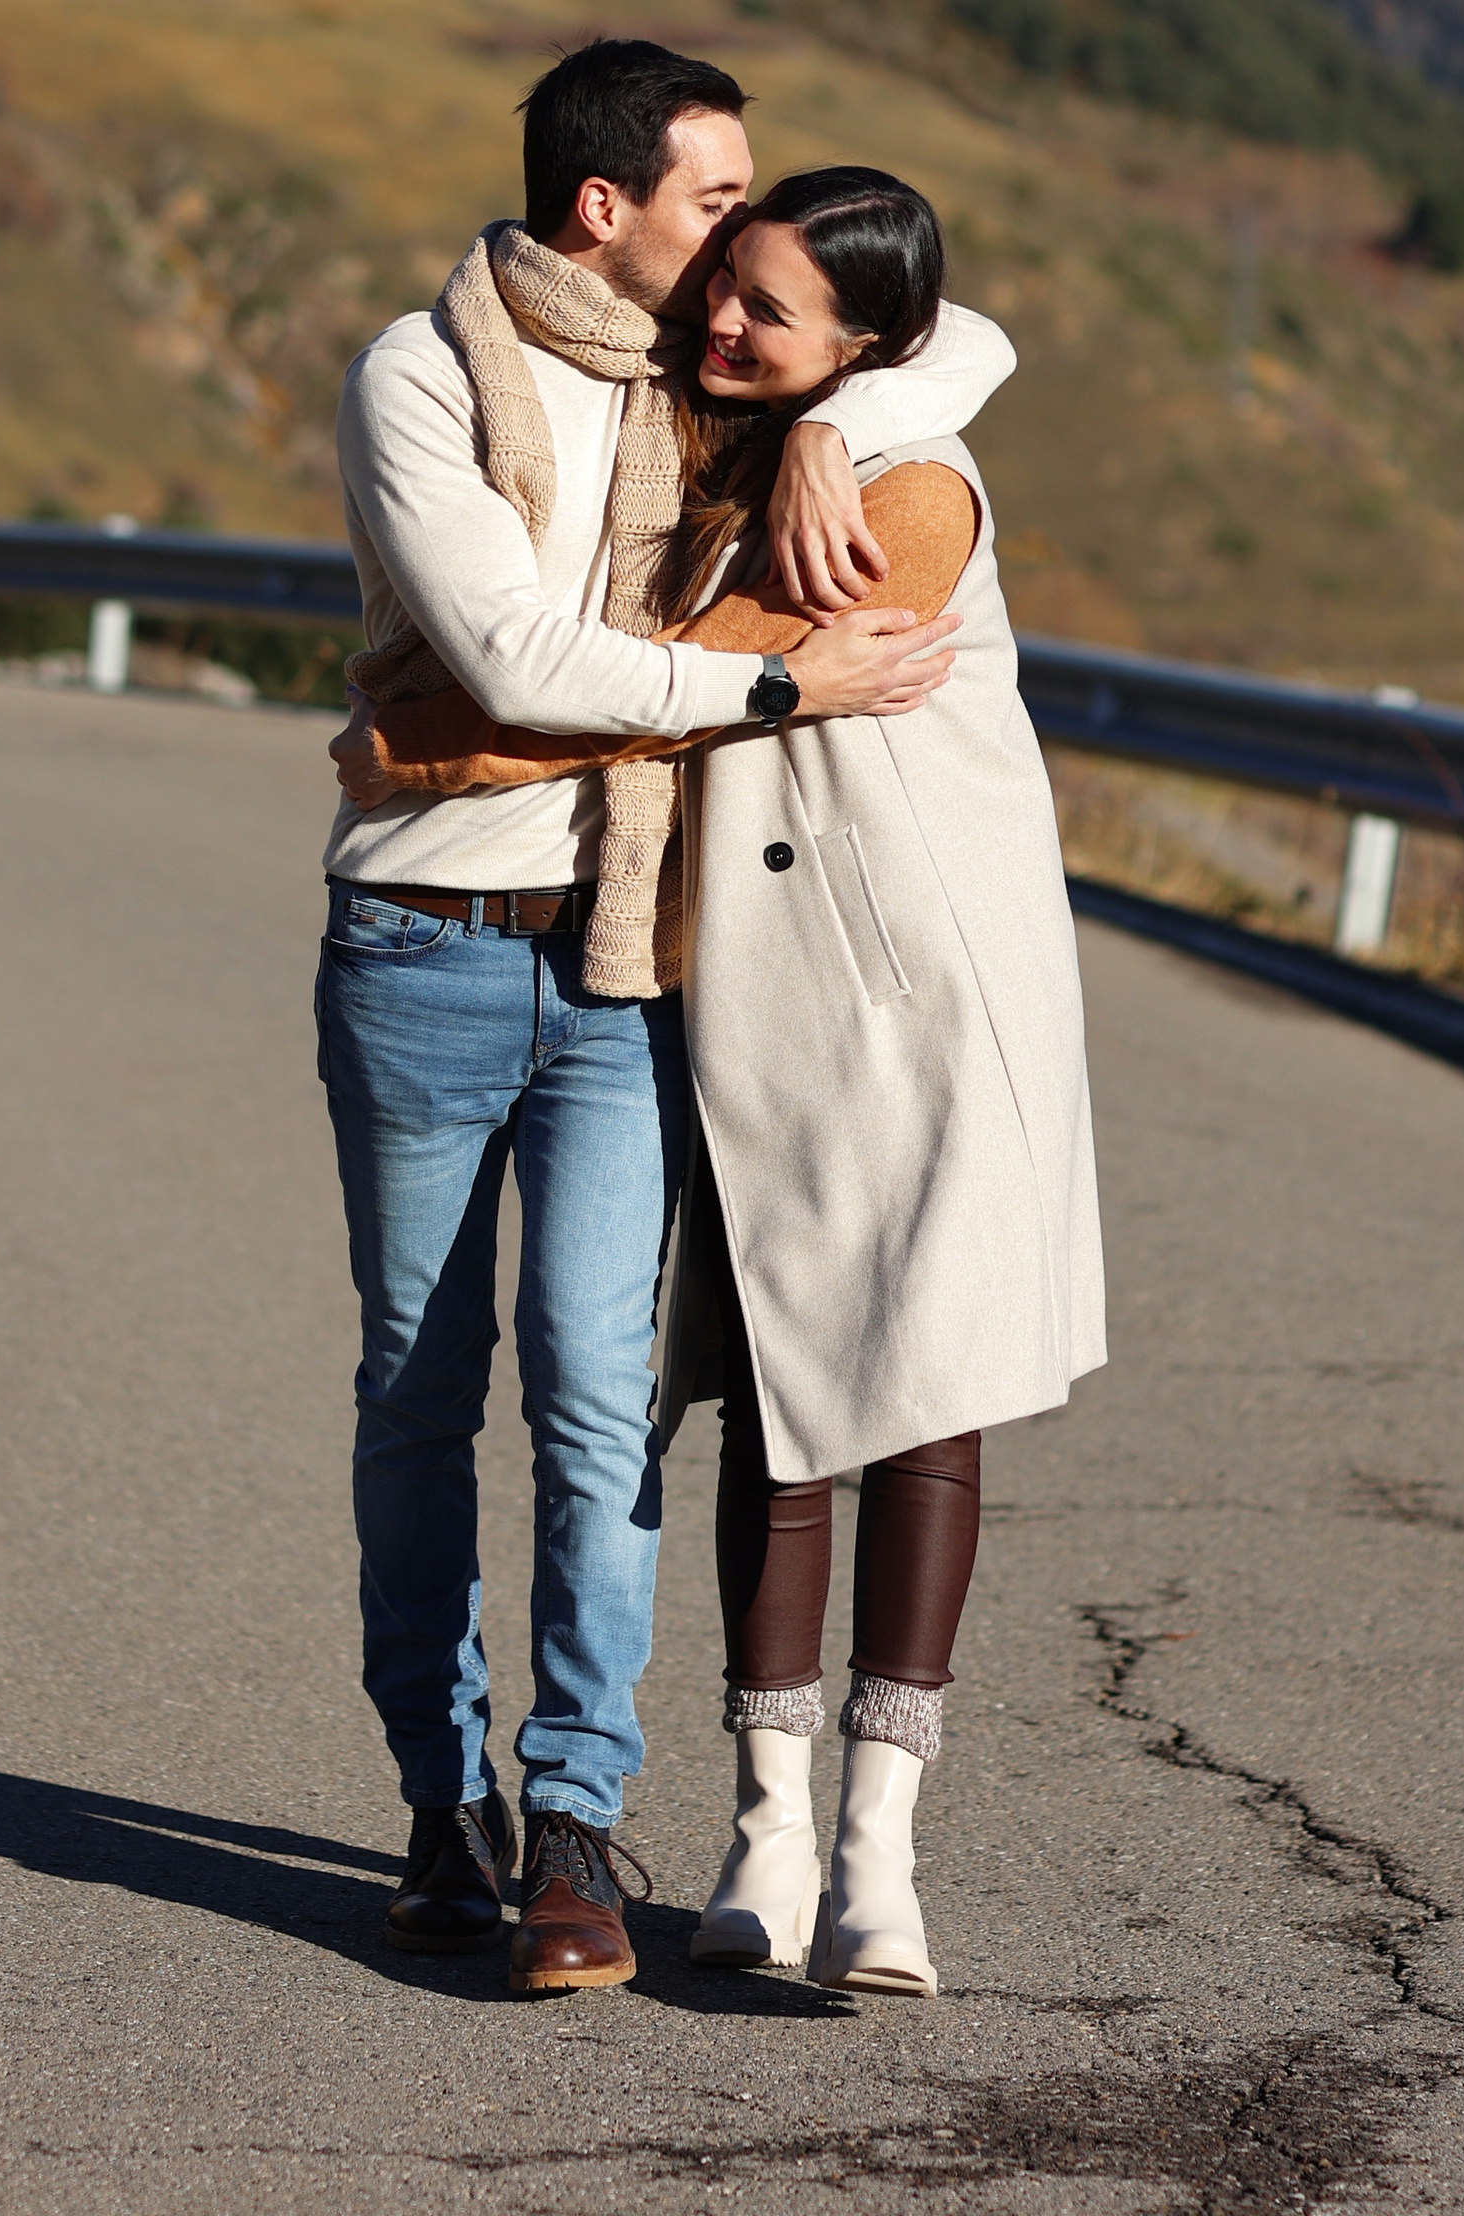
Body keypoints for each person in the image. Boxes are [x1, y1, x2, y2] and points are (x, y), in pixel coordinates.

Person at [339, 166, 1105, 2000]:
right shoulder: (740, 433)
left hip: (920, 997)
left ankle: (876, 1854)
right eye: (726, 272)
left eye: (773, 302)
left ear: (863, 347)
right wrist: (831, 405)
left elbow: (722, 672)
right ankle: (761, 1832)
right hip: (738, 1002)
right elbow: (921, 347)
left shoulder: (901, 481)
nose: (725, 318)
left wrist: (435, 730)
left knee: (917, 1402)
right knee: (768, 1399)